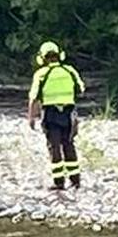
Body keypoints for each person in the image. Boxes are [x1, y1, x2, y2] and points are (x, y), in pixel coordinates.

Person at [27, 41, 85, 191]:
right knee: (69, 145)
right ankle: (75, 181)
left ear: (43, 58)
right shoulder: (70, 71)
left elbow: (33, 98)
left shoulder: (41, 74)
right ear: (60, 55)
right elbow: (81, 89)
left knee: (54, 147)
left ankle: (59, 183)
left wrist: (31, 118)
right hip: (69, 114)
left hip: (51, 114)